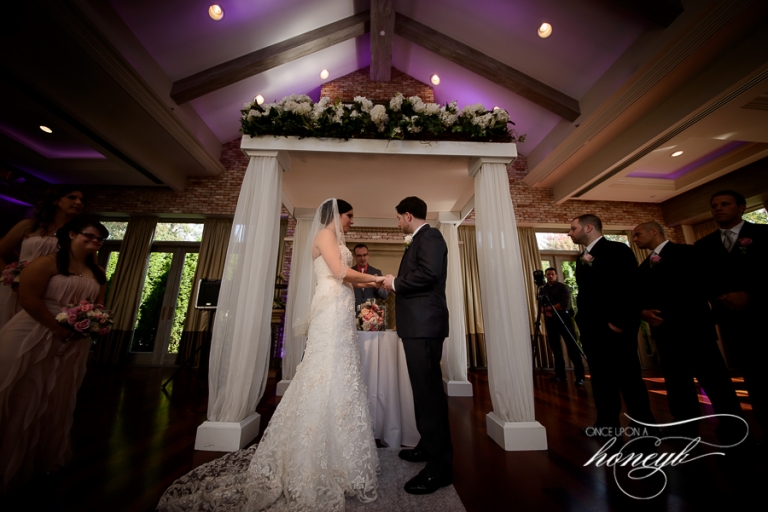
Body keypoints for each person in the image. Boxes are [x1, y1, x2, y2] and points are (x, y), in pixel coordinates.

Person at [158, 199, 383, 511]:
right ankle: (312, 454)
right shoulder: (324, 235)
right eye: (350, 215)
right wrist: (377, 279)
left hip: (340, 305)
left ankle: (340, 453)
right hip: (331, 305)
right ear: (336, 214)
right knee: (325, 368)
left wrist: (370, 281)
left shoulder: (333, 238)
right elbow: (339, 271)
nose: (352, 221)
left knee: (340, 371)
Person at [0, 216, 107, 491]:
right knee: (21, 391)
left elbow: (98, 306)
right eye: (89, 236)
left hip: (73, 339)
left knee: (55, 394)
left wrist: (91, 323)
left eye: (99, 239)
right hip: (33, 330)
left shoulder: (97, 272)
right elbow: (28, 299)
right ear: (71, 235)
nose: (95, 241)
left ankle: (40, 458)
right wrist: (56, 328)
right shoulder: (45, 263)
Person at [633, 221, 742, 440]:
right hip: (665, 333)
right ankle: (684, 426)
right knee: (677, 383)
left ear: (654, 231)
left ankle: (733, 426)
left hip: (694, 330)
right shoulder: (644, 266)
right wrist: (643, 312)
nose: (635, 239)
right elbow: (640, 296)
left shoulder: (686, 252)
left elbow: (704, 284)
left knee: (715, 381)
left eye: (637, 234)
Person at [382, 196, 452, 495]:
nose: (398, 223)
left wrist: (395, 283)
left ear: (408, 215)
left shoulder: (430, 236)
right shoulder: (421, 239)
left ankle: (439, 469)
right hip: (418, 327)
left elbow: (429, 274)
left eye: (399, 218)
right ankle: (427, 445)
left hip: (424, 327)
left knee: (429, 396)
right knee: (423, 392)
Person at [568, 214, 654, 439]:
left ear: (588, 227)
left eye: (573, 228)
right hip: (592, 331)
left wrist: (619, 323)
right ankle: (607, 426)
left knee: (629, 381)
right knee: (601, 381)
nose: (569, 233)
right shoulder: (582, 257)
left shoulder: (617, 250)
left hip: (615, 330)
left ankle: (644, 431)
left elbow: (630, 288)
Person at [694, 190, 768, 442]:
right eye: (714, 205)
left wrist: (750, 295)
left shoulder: (763, 234)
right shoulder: (703, 245)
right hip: (733, 322)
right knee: (753, 378)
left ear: (742, 207)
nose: (718, 208)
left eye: (725, 204)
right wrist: (722, 297)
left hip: (763, 314)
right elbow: (703, 281)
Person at [0, 186, 86, 329]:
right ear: (55, 200)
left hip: (52, 292)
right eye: (72, 197)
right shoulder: (28, 226)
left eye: (82, 200)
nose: (78, 202)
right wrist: (10, 276)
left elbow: (86, 266)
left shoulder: (80, 235)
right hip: (16, 289)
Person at [539, 267, 585, 385]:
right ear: (545, 276)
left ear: (556, 275)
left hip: (564, 319)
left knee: (572, 347)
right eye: (548, 274)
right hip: (551, 320)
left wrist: (549, 308)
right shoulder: (542, 290)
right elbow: (541, 306)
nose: (550, 276)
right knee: (556, 349)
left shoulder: (563, 288)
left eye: (552, 274)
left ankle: (580, 377)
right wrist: (545, 311)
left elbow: (564, 304)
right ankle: (560, 375)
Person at [352, 243, 389, 309]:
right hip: (353, 311)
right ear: (354, 257)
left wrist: (377, 287)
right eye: (359, 256)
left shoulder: (376, 272)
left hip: (371, 312)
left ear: (368, 255)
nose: (362, 258)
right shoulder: (351, 272)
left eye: (364, 255)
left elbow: (385, 295)